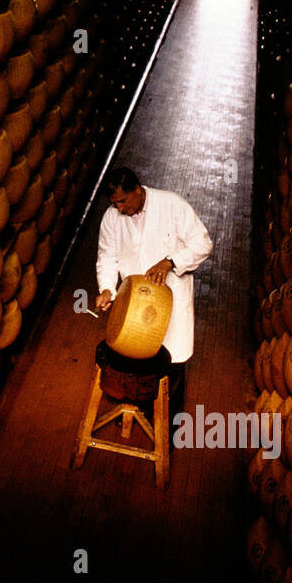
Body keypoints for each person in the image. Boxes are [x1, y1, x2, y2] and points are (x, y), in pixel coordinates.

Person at [94, 166, 213, 405]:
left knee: (173, 362)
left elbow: (203, 244)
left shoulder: (172, 205)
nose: (120, 208)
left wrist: (171, 261)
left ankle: (169, 426)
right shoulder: (112, 217)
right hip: (135, 307)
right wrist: (107, 288)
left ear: (138, 190)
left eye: (123, 201)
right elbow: (107, 256)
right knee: (135, 360)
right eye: (115, 203)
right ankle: (136, 410)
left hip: (172, 301)